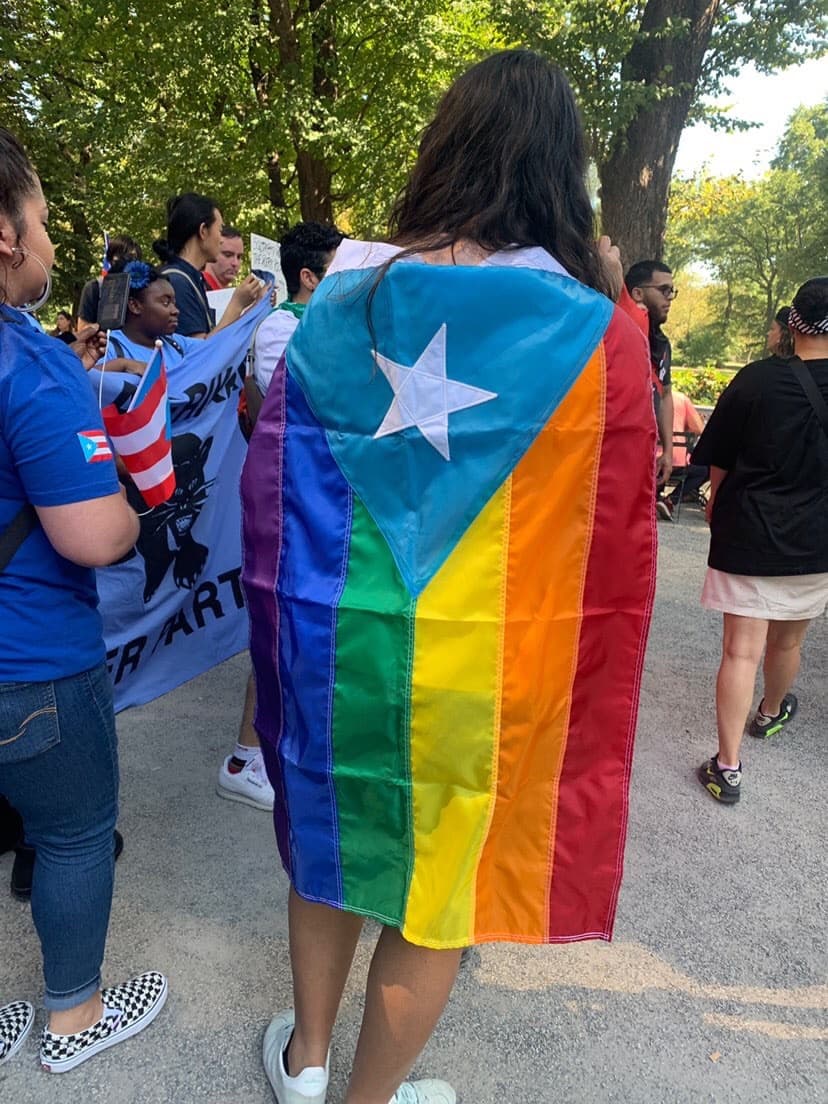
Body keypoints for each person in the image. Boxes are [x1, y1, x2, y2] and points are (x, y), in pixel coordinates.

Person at [242, 50, 655, 1104]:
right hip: (488, 659)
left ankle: (305, 1062)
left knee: (332, 836)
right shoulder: (595, 332)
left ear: (444, 149)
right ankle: (367, 1102)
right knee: (436, 891)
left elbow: (276, 486)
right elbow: (610, 528)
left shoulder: (340, 302)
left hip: (341, 638)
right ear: (563, 170)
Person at [0, 128, 167, 1072]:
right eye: (46, 224)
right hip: (30, 663)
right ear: (4, 234)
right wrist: (134, 511)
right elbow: (92, 536)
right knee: (70, 833)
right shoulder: (30, 367)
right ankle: (73, 1019)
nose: (58, 249)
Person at [216, 222, 344, 814]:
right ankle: (246, 757)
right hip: (288, 498)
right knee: (281, 629)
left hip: (317, 499)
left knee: (305, 632)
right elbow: (309, 397)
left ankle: (275, 749)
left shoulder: (326, 324)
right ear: (309, 277)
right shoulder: (281, 327)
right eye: (339, 270)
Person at [693, 277, 828, 805]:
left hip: (749, 533)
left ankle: (727, 768)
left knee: (739, 653)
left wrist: (715, 504)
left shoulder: (753, 381)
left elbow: (719, 460)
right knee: (789, 640)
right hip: (817, 540)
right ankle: (770, 713)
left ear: (792, 323)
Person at [153, 194, 265, 337]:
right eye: (219, 230)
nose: (221, 240)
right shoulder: (177, 282)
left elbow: (216, 338)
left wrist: (256, 305)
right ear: (203, 231)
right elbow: (201, 352)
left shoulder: (191, 279)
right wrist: (237, 304)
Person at [625, 260, 676, 510]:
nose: (669, 298)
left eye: (672, 291)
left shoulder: (662, 344)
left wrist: (667, 450)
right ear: (638, 293)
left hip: (645, 454)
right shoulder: (618, 334)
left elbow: (666, 395)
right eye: (663, 290)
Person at [657, 387, 708, 520]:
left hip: (650, 460)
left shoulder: (648, 394)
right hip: (676, 461)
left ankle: (656, 498)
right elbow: (698, 429)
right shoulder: (681, 398)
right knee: (702, 471)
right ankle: (671, 500)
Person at [77, 234, 142, 328]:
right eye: (120, 255)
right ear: (111, 258)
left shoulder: (143, 287)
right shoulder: (95, 287)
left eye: (132, 257)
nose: (125, 261)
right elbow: (83, 328)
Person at [203, 225, 245, 290]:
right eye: (228, 255)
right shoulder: (197, 288)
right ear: (211, 251)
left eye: (239, 257)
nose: (235, 263)